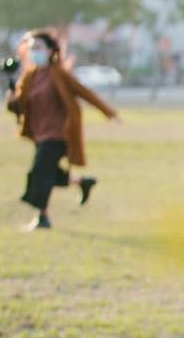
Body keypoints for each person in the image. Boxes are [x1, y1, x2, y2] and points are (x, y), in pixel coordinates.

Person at [7, 30, 119, 231]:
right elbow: (20, 106)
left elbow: (84, 92)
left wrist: (108, 111)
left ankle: (43, 217)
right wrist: (11, 98)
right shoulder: (29, 77)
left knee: (39, 172)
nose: (35, 52)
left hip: (59, 134)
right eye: (32, 49)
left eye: (39, 48)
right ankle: (83, 182)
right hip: (40, 134)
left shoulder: (58, 75)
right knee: (50, 174)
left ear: (51, 51)